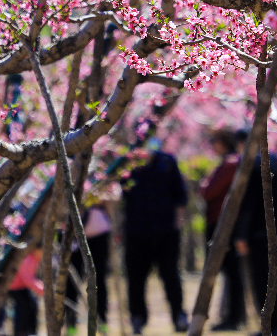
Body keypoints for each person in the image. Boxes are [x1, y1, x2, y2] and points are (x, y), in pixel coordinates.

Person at [122, 137, 189, 334]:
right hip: (136, 231)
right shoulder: (128, 164)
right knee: (136, 278)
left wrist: (177, 224)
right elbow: (120, 194)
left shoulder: (167, 162)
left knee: (170, 275)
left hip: (166, 231)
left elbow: (180, 195)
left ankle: (178, 315)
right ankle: (137, 319)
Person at [234, 152, 277, 336]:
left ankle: (269, 327)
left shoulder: (251, 164)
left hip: (258, 233)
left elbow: (248, 201)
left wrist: (241, 234)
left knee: (262, 281)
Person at [198, 128, 246, 331]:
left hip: (224, 225)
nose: (212, 145)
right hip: (223, 223)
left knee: (232, 273)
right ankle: (232, 316)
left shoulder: (230, 164)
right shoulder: (230, 162)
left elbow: (208, 191)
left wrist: (204, 184)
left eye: (214, 141)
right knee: (231, 273)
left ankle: (233, 317)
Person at [65, 203, 112, 334]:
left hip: (98, 234)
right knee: (70, 283)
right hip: (72, 237)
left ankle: (102, 321)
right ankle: (70, 324)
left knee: (99, 281)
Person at [8, 247, 44, 336]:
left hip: (21, 286)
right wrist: (41, 289)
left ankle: (31, 331)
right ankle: (20, 332)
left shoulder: (35, 259)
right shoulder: (28, 259)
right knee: (24, 309)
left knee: (32, 306)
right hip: (15, 287)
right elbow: (27, 279)